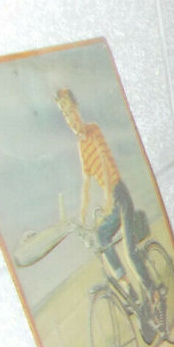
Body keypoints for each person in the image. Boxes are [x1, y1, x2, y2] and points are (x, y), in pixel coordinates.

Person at [55, 88, 155, 312]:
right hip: (111, 201)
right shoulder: (80, 146)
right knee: (101, 236)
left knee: (130, 251)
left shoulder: (93, 130)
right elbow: (86, 183)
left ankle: (153, 290)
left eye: (70, 112)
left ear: (77, 109)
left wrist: (108, 196)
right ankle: (128, 287)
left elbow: (104, 162)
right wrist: (80, 217)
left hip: (120, 194)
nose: (70, 119)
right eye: (65, 115)